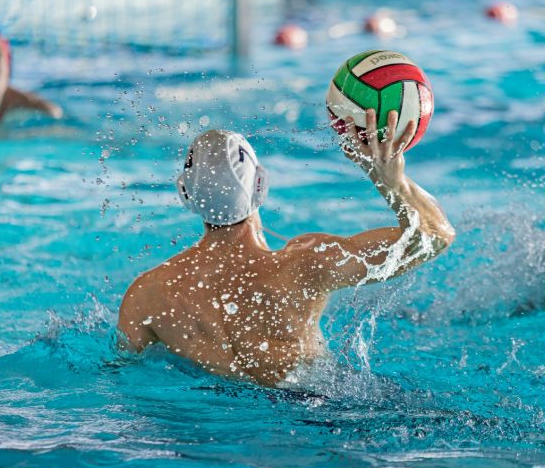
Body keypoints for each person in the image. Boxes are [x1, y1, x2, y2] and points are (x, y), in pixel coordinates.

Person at [118, 109, 455, 386]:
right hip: (312, 415)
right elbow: (434, 237)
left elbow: (122, 376)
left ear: (185, 194)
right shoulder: (306, 263)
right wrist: (391, 181)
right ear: (260, 186)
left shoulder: (147, 294)